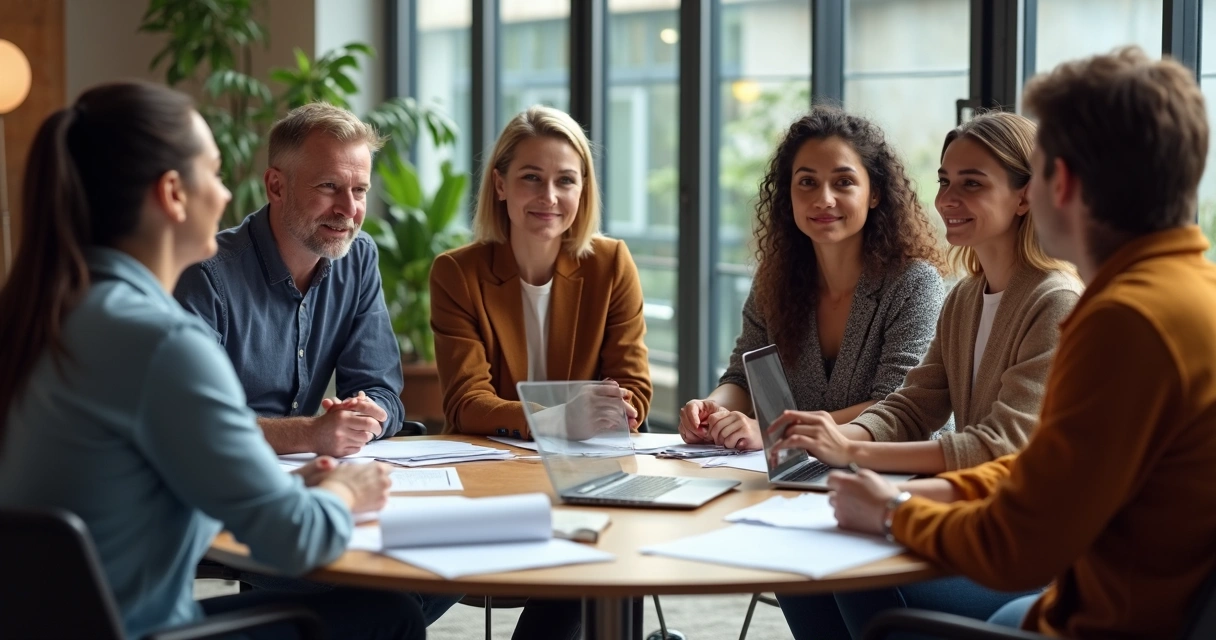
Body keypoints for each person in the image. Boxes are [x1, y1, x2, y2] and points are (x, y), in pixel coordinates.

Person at [0, 81, 421, 639]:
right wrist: (346, 490)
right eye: (216, 173)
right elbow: (294, 539)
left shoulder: (62, 309)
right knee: (389, 616)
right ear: (173, 193)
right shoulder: (159, 341)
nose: (226, 197)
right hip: (146, 630)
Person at [827, 47, 1216, 639]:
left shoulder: (1124, 320)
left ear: (1057, 182)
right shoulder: (1188, 290)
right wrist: (932, 491)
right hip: (1103, 600)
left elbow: (1022, 545)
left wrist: (892, 513)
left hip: (1098, 623)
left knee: (854, 571)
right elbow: (1043, 471)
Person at [772, 110, 1082, 639]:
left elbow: (1000, 445)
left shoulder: (1055, 301)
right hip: (976, 521)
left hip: (1032, 554)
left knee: (853, 569)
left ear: (1026, 196)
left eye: (972, 183)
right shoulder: (965, 296)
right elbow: (914, 405)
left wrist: (854, 453)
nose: (946, 199)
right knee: (799, 555)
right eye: (943, 180)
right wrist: (833, 438)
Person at [430, 105, 651, 638]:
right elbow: (467, 404)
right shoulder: (457, 273)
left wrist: (610, 410)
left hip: (589, 479)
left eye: (565, 181)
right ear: (500, 185)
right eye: (532, 178)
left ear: (583, 191)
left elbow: (634, 392)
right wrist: (564, 416)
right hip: (491, 482)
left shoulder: (611, 263)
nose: (549, 197)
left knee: (596, 565)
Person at [679, 107, 947, 452]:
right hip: (797, 478)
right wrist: (712, 408)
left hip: (890, 475)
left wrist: (778, 431)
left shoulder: (914, 283)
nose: (824, 199)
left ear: (875, 193)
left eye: (844, 182)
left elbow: (899, 407)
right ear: (788, 196)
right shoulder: (775, 280)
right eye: (807, 182)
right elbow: (744, 378)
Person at [175, 102, 405, 459]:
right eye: (329, 186)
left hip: (308, 476)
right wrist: (311, 433)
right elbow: (192, 421)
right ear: (277, 187)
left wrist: (369, 413)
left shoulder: (357, 257)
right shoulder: (207, 274)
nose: (349, 209)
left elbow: (380, 389)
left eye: (359, 190)